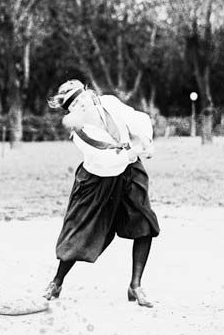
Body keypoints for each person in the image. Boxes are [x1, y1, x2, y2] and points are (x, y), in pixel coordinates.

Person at [44, 80, 160, 307]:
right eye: (74, 104)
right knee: (79, 232)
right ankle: (56, 282)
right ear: (71, 111)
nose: (81, 104)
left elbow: (137, 119)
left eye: (82, 98)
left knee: (144, 224)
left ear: (89, 94)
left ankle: (135, 286)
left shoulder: (109, 103)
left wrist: (145, 141)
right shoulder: (80, 133)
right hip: (98, 181)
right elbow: (107, 162)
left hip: (129, 174)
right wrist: (132, 153)